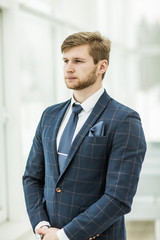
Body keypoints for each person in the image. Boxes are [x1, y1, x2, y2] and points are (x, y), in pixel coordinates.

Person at [23, 31, 146, 240]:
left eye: (78, 61)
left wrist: (64, 236)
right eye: (65, 60)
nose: (69, 68)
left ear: (102, 66)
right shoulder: (49, 116)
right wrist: (41, 225)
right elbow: (32, 177)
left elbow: (118, 197)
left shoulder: (125, 120)